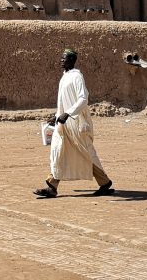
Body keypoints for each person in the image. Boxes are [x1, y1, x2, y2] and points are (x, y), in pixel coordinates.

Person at [33, 49, 113, 198]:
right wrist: (57, 115)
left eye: (64, 58)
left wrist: (68, 113)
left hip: (77, 124)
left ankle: (104, 182)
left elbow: (83, 99)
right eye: (61, 58)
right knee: (58, 152)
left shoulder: (77, 76)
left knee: (86, 153)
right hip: (64, 124)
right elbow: (63, 102)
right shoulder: (65, 77)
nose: (61, 60)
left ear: (72, 60)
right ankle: (52, 186)